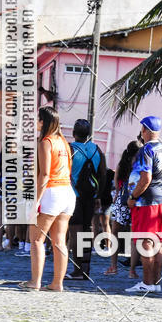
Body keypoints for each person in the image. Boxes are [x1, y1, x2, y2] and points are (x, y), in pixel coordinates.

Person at [19, 106, 75, 291]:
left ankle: (35, 281)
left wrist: (35, 201)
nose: (36, 122)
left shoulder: (46, 142)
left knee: (36, 239)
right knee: (59, 241)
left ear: (44, 122)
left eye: (38, 119)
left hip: (52, 192)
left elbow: (44, 175)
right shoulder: (64, 142)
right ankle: (57, 283)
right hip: (67, 192)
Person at [125, 116, 162, 294]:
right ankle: (156, 283)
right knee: (157, 243)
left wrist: (133, 196)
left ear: (144, 130)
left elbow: (146, 178)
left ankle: (147, 282)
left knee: (145, 242)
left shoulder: (146, 150)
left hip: (147, 201)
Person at [65, 119, 106, 281]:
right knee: (86, 231)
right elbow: (103, 174)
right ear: (89, 134)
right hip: (91, 196)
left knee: (75, 234)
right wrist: (98, 195)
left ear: (74, 133)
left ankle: (77, 270)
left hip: (73, 195)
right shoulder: (96, 149)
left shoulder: (70, 149)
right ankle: (86, 268)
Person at [106, 141, 139, 275]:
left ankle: (113, 266)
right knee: (134, 236)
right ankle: (132, 270)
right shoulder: (140, 163)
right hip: (136, 200)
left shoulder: (122, 163)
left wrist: (117, 196)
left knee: (115, 234)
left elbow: (116, 181)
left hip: (121, 200)